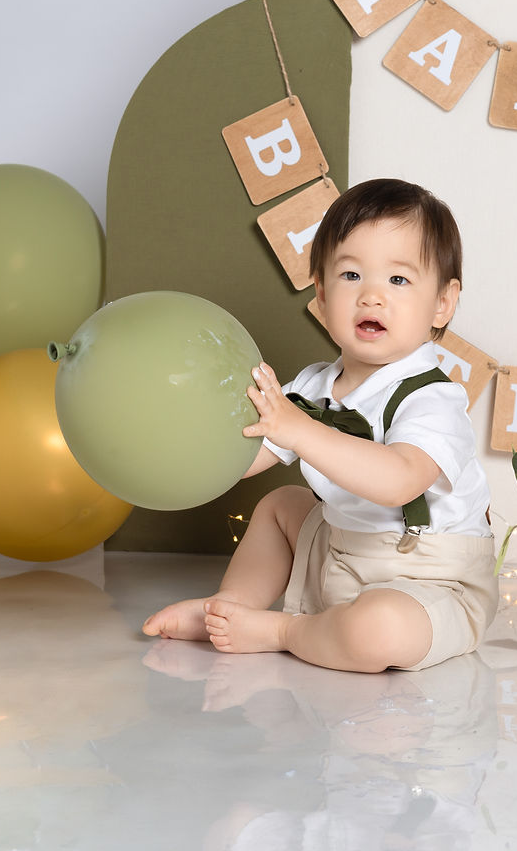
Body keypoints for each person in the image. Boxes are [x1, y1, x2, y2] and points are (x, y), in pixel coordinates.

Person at [143, 178, 497, 672]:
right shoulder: (313, 385)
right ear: (321, 293)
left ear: (442, 301)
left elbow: (398, 480)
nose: (371, 297)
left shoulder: (432, 397)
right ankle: (229, 611)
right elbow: (245, 457)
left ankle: (282, 631)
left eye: (398, 280)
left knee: (378, 631)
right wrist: (175, 438)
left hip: (428, 577)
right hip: (339, 555)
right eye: (351, 276)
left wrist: (298, 430)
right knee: (279, 506)